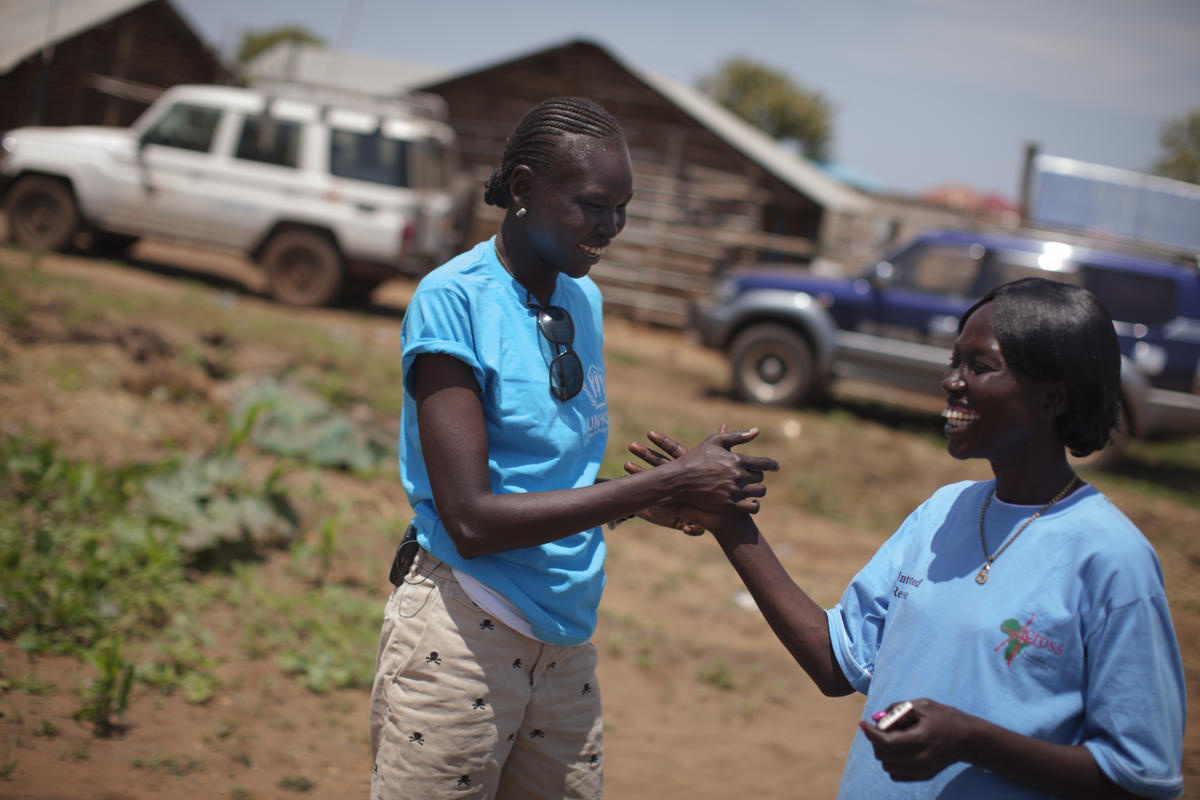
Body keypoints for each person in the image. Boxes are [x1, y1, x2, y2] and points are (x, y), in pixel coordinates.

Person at [627, 278, 1185, 799]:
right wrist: (728, 521)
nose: (951, 381)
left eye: (979, 366)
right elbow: (835, 663)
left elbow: (1141, 775)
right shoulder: (943, 513)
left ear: (1053, 398)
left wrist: (973, 740)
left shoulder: (1112, 559)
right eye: (953, 362)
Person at [368, 96, 778, 800]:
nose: (611, 228)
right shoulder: (455, 301)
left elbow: (551, 481)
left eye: (623, 207)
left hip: (564, 640)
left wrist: (664, 497)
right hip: (466, 631)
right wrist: (654, 485)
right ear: (524, 189)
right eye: (593, 205)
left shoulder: (580, 300)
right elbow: (471, 519)